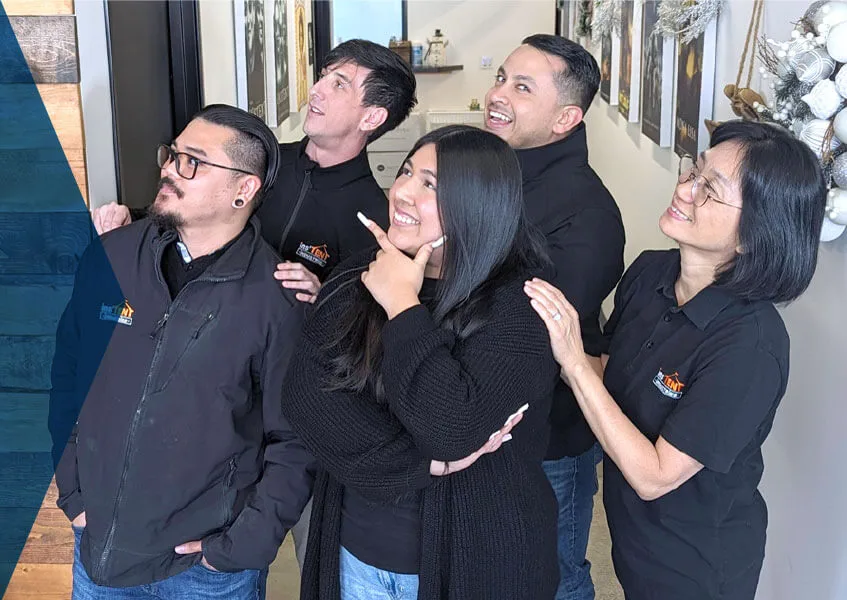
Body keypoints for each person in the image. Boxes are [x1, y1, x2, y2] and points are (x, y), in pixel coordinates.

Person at [525, 120, 827, 599]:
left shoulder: (751, 344)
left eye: (710, 189)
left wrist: (573, 360)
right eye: (694, 171)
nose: (685, 188)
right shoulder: (650, 271)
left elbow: (654, 475)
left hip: (695, 567)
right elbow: (613, 377)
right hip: (631, 541)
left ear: (754, 234)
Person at [281, 125, 562, 600]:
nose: (403, 192)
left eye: (430, 184)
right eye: (406, 171)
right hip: (357, 559)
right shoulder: (360, 271)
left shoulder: (519, 307)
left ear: (476, 203)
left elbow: (451, 430)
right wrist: (423, 464)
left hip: (478, 565)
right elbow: (305, 398)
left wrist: (402, 307)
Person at [49, 105, 315, 599]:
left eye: (193, 161)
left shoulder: (276, 298)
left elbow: (295, 441)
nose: (169, 169)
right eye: (172, 155)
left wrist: (242, 546)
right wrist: (74, 492)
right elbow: (68, 375)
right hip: (99, 552)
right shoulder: (111, 256)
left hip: (203, 571)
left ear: (244, 189)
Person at [91, 39, 417, 305]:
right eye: (323, 76)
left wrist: (322, 296)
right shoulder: (261, 160)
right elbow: (193, 210)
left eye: (339, 84)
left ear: (372, 118)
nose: (317, 89)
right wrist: (130, 219)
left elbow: (361, 324)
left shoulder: (372, 219)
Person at [483, 34, 625, 600]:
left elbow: (536, 333)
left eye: (522, 87)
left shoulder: (588, 214)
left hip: (547, 440)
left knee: (553, 574)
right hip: (479, 423)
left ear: (567, 116)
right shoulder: (493, 171)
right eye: (501, 77)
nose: (498, 95)